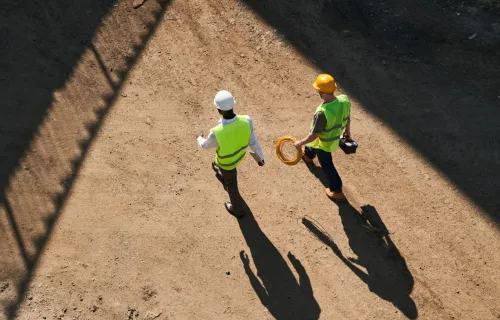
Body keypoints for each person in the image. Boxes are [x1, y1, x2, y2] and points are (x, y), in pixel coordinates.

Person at [197, 90, 265, 218]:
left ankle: (238, 210)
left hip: (227, 163)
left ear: (219, 110)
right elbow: (253, 141)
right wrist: (260, 157)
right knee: (225, 172)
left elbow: (206, 145)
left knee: (232, 185)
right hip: (238, 157)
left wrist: (199, 139)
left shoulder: (216, 131)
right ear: (233, 105)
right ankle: (222, 173)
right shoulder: (247, 120)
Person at [294, 74, 352, 201]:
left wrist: (300, 143)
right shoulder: (344, 100)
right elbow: (347, 117)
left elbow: (314, 135)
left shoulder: (322, 112)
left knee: (326, 165)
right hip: (334, 138)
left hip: (324, 143)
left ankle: (336, 190)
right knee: (313, 145)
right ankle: (308, 155)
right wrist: (347, 131)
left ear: (320, 91)